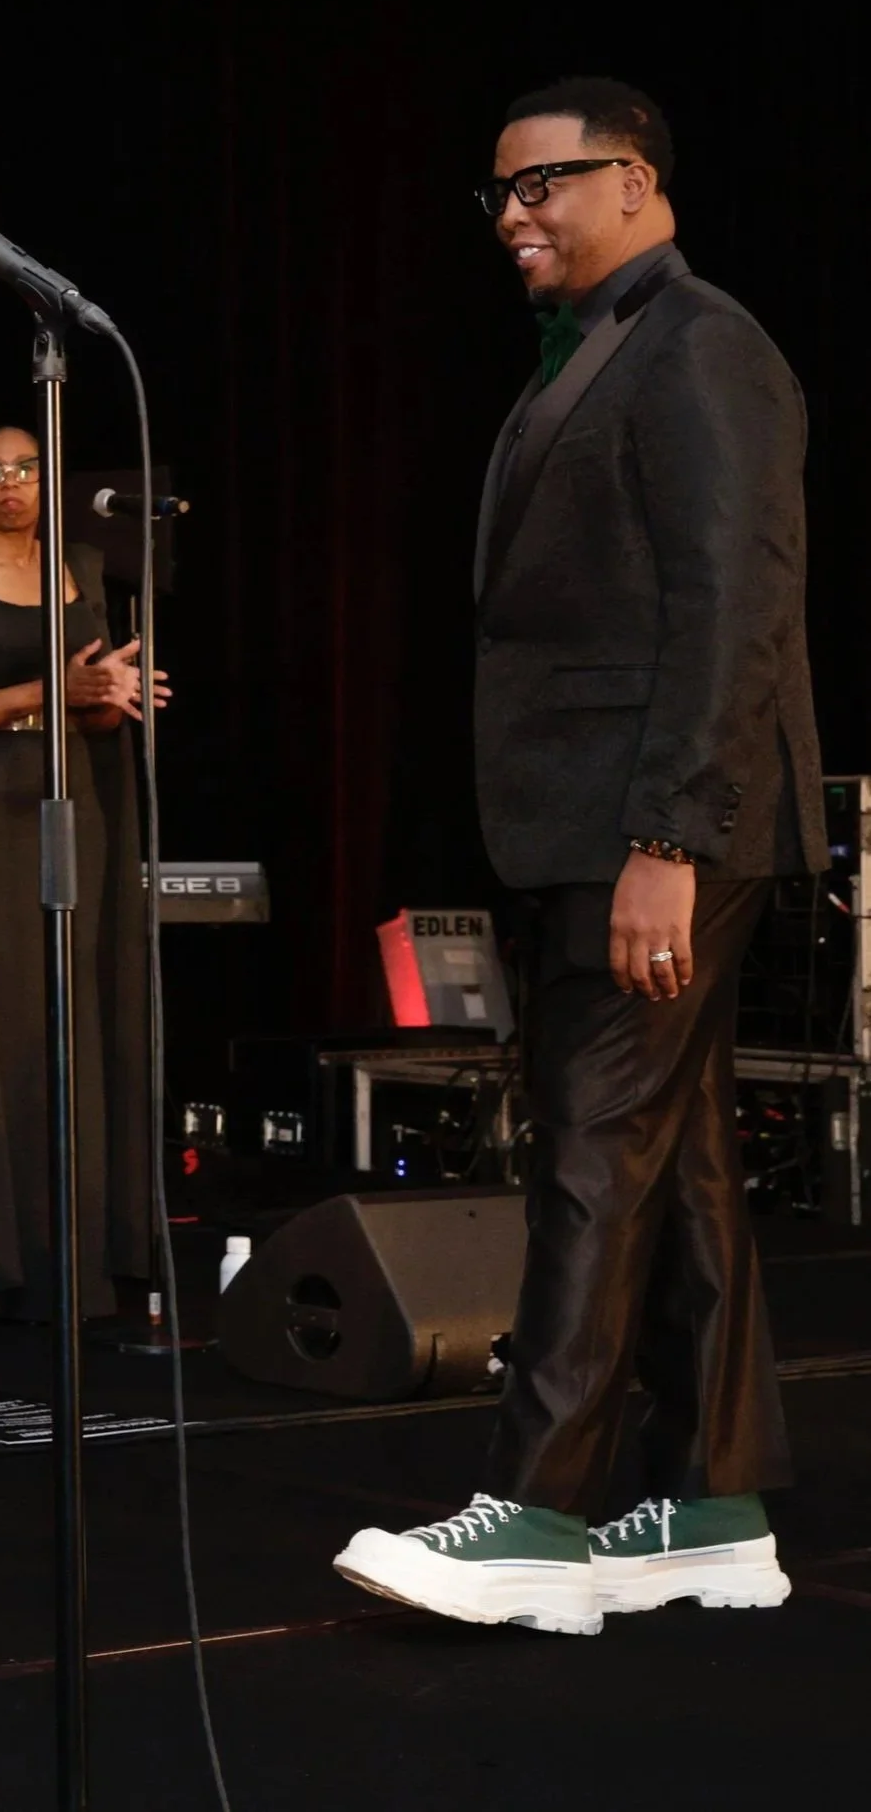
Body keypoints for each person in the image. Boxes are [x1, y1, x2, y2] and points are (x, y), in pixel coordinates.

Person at [336, 79, 825, 1633]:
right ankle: (714, 1501)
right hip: (596, 818)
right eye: (497, 193)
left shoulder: (703, 346)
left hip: (658, 822)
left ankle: (538, 1511)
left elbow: (732, 606)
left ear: (636, 180)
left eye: (540, 184)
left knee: (592, 1148)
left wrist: (669, 837)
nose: (513, 216)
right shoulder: (605, 349)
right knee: (669, 1160)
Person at [0, 425, 168, 1320]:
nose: (10, 483)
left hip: (75, 811)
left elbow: (88, 707)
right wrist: (46, 693)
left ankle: (81, 1255)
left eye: (26, 468)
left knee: (77, 1021)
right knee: (0, 1028)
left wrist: (107, 696)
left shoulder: (85, 567)